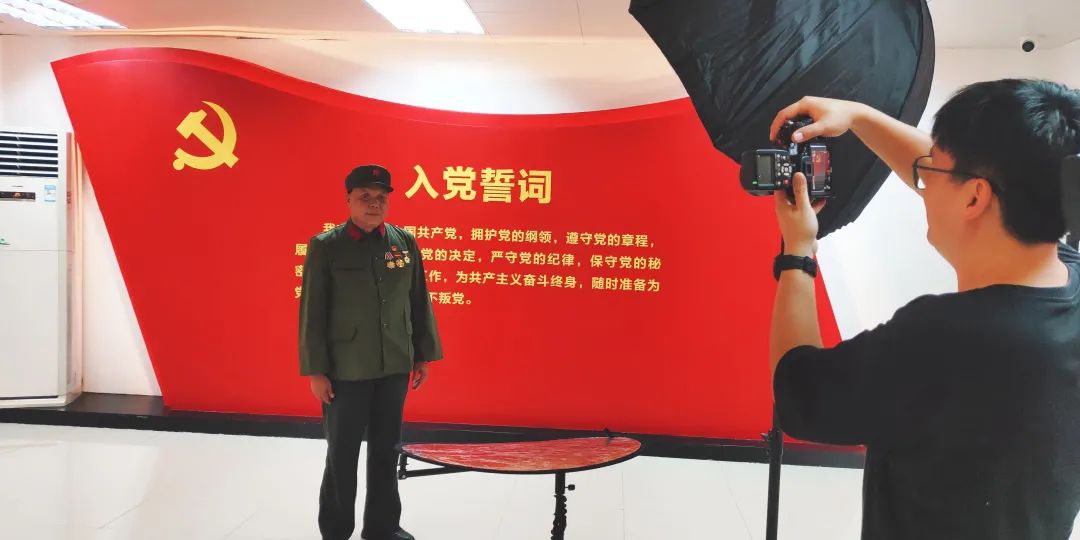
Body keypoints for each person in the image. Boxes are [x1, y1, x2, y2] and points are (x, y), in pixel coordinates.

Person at [768, 79, 1080, 539]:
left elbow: (798, 392)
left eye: (930, 168)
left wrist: (797, 252)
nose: (921, 180)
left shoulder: (942, 339)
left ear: (974, 197)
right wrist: (859, 117)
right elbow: (981, 178)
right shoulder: (1068, 278)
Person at [298, 164, 443, 540]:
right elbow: (312, 312)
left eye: (381, 197)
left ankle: (382, 527)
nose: (374, 203)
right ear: (348, 199)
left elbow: (418, 299)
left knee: (386, 450)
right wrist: (316, 371)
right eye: (365, 196)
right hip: (346, 370)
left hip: (394, 365)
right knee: (341, 455)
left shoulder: (403, 242)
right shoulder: (326, 246)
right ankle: (335, 530)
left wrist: (422, 355)